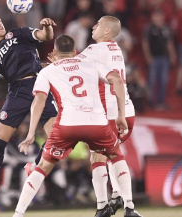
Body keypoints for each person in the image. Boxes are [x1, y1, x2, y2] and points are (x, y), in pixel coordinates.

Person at [12, 35, 139, 217]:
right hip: (96, 123)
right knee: (115, 156)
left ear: (54, 52)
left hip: (67, 124)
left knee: (42, 167)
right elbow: (117, 81)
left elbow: (38, 100)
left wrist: (31, 132)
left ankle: (18, 214)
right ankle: (129, 207)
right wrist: (120, 115)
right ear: (75, 52)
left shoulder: (47, 71)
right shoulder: (90, 64)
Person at [0, 14, 58, 204]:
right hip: (17, 90)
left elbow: (45, 36)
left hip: (39, 84)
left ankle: (34, 165)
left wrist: (47, 27)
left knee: (55, 137)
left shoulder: (19, 33)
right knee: (0, 140)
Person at [77, 16, 141, 217]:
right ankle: (119, 198)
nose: (93, 26)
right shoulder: (116, 49)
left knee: (98, 156)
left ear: (107, 31)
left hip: (111, 115)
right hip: (126, 112)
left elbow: (69, 64)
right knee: (112, 154)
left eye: (98, 24)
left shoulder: (95, 50)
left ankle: (105, 206)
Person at [143, 10, 176, 110]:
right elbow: (145, 43)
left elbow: (169, 43)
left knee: (163, 80)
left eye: (160, 17)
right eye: (156, 17)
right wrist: (148, 57)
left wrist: (172, 55)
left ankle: (161, 101)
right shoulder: (149, 28)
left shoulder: (166, 28)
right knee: (152, 81)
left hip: (164, 58)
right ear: (153, 18)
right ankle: (151, 102)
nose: (158, 19)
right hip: (154, 58)